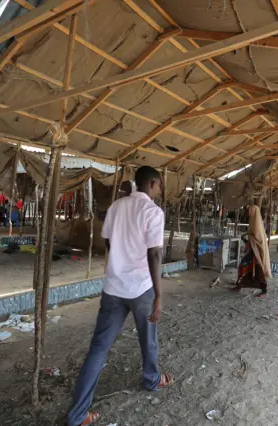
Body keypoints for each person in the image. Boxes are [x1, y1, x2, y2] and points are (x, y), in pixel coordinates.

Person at [67, 166, 173, 426]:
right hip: (141, 288)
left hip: (113, 287)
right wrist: (158, 295)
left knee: (99, 348)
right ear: (153, 183)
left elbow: (110, 244)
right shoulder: (152, 212)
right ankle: (151, 379)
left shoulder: (116, 207)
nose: (159, 190)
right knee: (148, 340)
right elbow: (155, 254)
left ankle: (78, 414)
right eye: (158, 185)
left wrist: (119, 264)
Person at [233, 204, 271, 299]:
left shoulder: (257, 223)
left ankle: (264, 290)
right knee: (244, 267)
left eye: (249, 211)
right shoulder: (253, 221)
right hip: (252, 252)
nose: (247, 213)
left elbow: (258, 239)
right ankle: (239, 285)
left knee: (259, 271)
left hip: (257, 253)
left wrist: (248, 238)